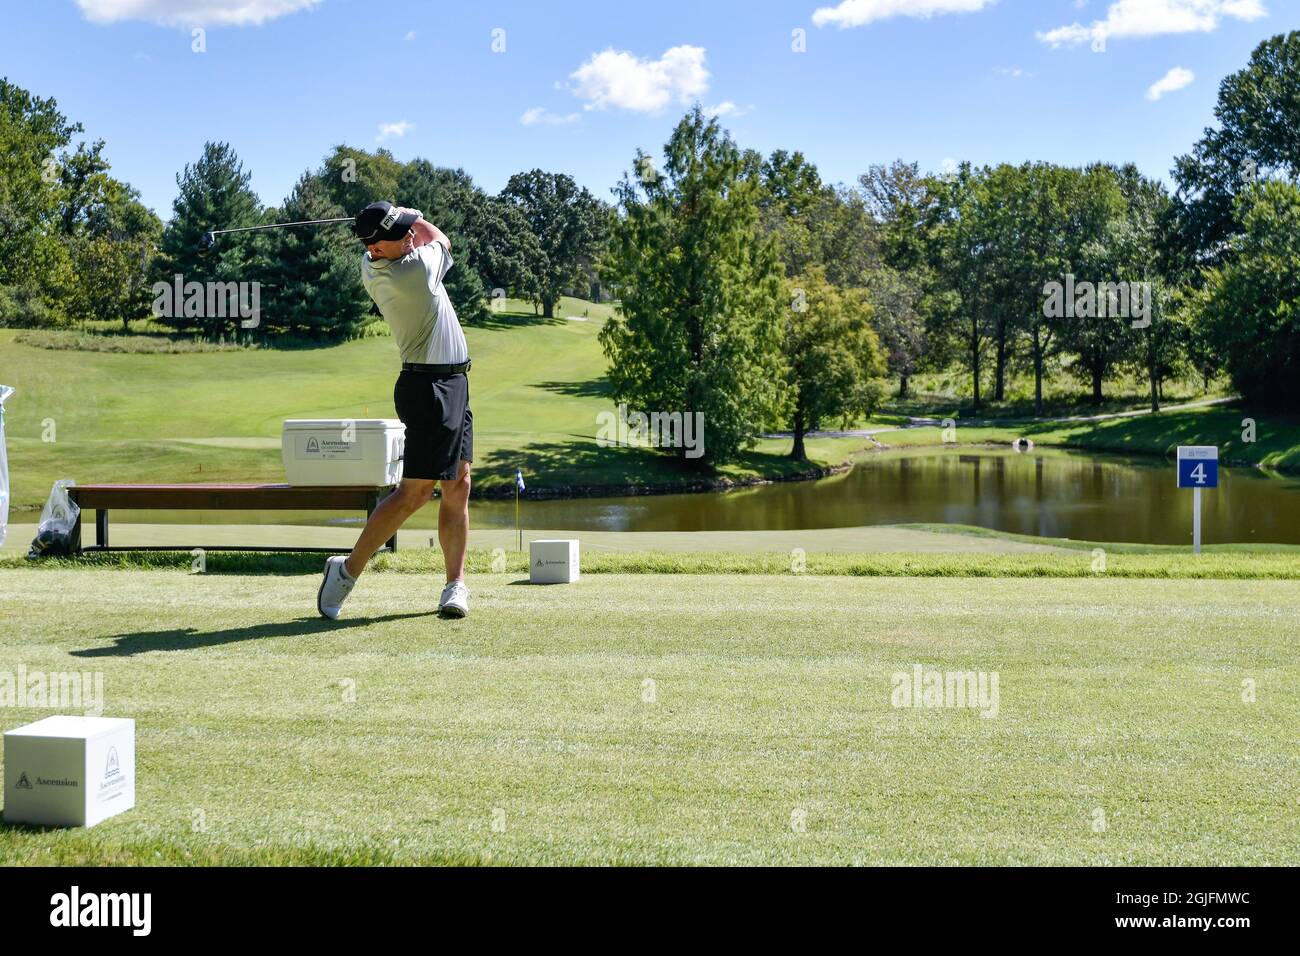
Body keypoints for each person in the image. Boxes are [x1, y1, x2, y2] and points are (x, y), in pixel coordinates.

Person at [317, 202, 472, 620]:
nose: (409, 235)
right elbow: (439, 237)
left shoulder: (376, 262)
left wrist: (394, 217)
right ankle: (345, 572)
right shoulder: (413, 271)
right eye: (399, 233)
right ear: (378, 247)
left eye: (405, 230)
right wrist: (412, 212)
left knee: (459, 483)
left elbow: (410, 236)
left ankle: (454, 586)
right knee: (415, 493)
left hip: (454, 383)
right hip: (428, 389)